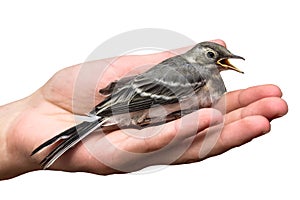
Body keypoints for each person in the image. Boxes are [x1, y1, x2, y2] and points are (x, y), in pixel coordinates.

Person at [0, 40, 288, 180]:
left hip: (120, 106)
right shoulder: (192, 75)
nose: (221, 61)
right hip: (123, 108)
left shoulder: (206, 79)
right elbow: (144, 97)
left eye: (222, 58)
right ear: (198, 57)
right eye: (214, 56)